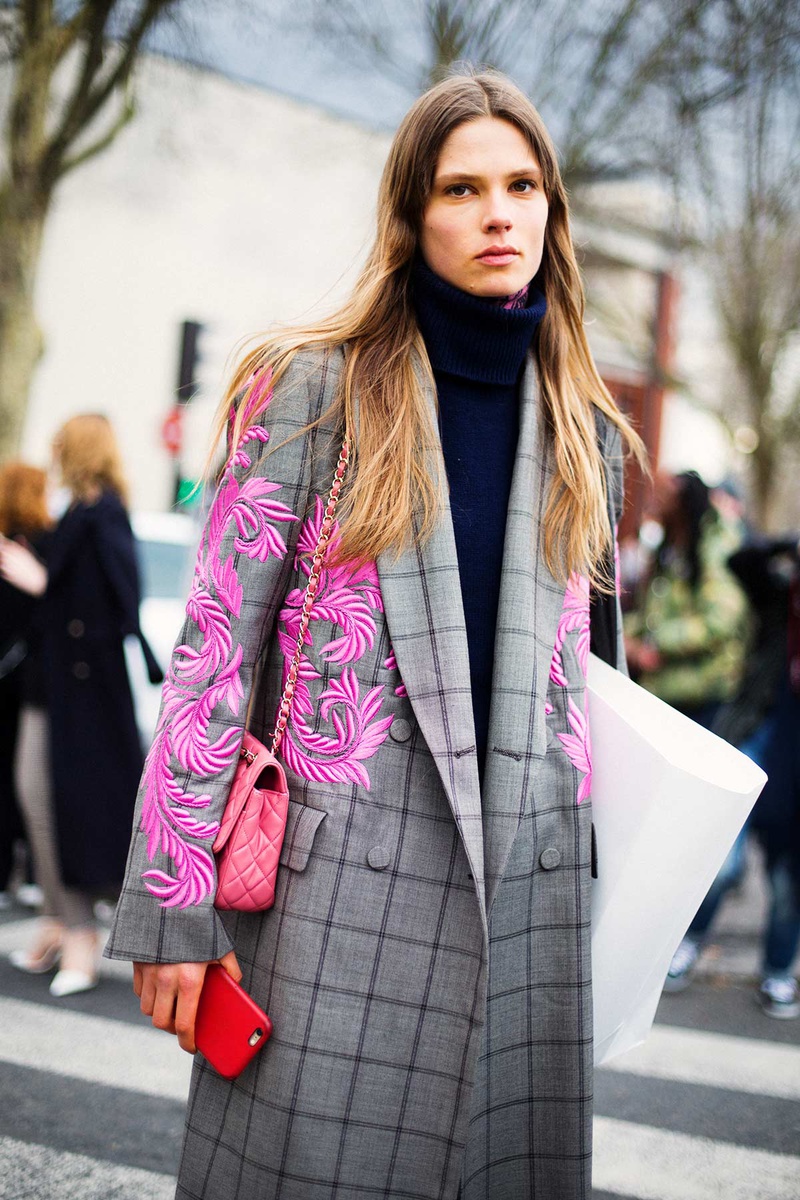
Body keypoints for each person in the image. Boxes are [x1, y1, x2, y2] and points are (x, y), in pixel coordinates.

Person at [106, 70, 642, 1200]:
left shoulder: (584, 426)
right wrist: (170, 903)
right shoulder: (311, 389)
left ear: (550, 208)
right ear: (411, 214)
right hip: (332, 913)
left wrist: (620, 895)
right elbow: (210, 658)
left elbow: (589, 690)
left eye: (521, 184)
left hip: (526, 913)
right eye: (461, 187)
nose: (498, 213)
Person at [0, 414, 156, 996]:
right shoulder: (83, 511)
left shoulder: (102, 514)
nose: (54, 454)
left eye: (62, 446)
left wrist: (43, 583)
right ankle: (59, 924)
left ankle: (79, 936)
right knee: (35, 795)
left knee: (59, 803)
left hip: (84, 692)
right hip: (57, 687)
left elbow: (115, 607)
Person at [665, 536, 800, 1015]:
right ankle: (688, 943)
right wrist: (789, 544)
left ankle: (778, 972)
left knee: (788, 878)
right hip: (759, 739)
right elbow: (740, 560)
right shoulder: (781, 597)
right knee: (722, 860)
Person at [624, 470, 749, 729]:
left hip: (701, 697)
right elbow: (653, 614)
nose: (652, 502)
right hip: (666, 687)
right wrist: (623, 637)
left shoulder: (714, 549)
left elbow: (719, 621)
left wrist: (654, 643)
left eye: (660, 495)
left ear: (680, 499)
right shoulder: (670, 546)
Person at [0, 463, 52, 909]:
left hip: (10, 679)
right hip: (30, 679)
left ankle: (7, 872)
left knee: (12, 777)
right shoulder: (45, 544)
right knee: (30, 778)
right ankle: (34, 873)